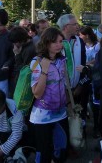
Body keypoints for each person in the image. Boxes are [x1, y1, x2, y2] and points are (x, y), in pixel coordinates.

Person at [30, 27, 69, 163]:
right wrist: (44, 71)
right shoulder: (37, 62)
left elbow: (63, 85)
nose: (60, 45)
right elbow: (37, 94)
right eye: (56, 42)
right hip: (42, 116)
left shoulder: (61, 60)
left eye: (61, 41)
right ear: (47, 43)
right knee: (44, 154)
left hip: (61, 113)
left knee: (62, 151)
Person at [57, 14, 88, 119]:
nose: (78, 26)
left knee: (77, 119)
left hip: (77, 89)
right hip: (59, 91)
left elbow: (83, 66)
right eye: (74, 24)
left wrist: (80, 85)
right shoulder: (56, 42)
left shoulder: (80, 41)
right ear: (66, 27)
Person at [7, 26, 37, 98]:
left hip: (23, 86)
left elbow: (23, 70)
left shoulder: (29, 50)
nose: (14, 45)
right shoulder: (24, 46)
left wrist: (17, 55)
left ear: (20, 41)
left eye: (15, 42)